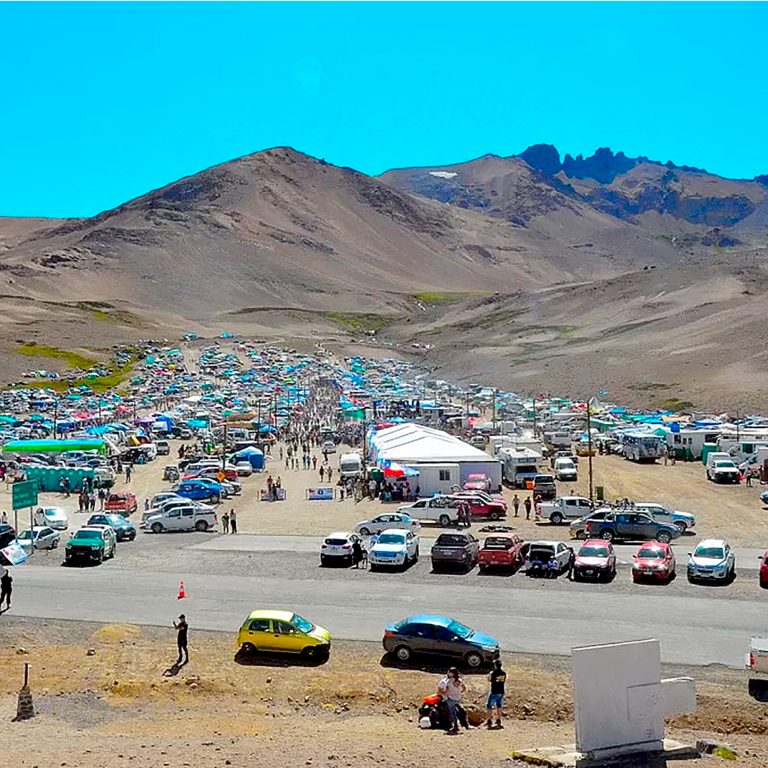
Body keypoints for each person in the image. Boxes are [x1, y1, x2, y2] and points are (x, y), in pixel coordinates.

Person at [438, 667, 469, 734]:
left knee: (452, 713)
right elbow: (464, 688)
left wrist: (440, 691)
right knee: (458, 711)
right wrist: (459, 692)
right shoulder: (459, 680)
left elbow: (445, 691)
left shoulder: (449, 682)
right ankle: (465, 723)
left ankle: (455, 726)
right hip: (458, 698)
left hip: (451, 698)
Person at [486, 659, 506, 729]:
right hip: (501, 691)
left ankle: (489, 720)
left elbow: (489, 679)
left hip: (494, 691)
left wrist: (490, 673)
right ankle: (499, 720)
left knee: (489, 706)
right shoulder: (503, 673)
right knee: (499, 706)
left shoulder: (493, 673)